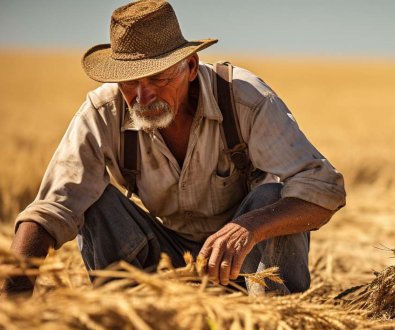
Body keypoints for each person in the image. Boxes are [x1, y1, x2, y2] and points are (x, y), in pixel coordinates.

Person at [5, 0, 345, 295]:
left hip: (246, 264)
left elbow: (324, 189)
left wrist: (251, 228)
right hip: (163, 266)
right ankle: (131, 316)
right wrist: (14, 290)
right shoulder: (103, 111)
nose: (142, 96)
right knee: (92, 202)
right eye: (130, 82)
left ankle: (272, 318)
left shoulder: (245, 99)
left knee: (273, 198)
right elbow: (52, 207)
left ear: (191, 67)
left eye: (157, 78)